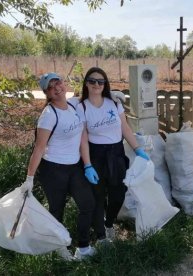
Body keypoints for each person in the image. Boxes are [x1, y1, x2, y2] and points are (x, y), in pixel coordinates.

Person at [20, 72, 97, 261]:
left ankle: (83, 247)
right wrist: (29, 178)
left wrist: (87, 165)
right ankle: (59, 247)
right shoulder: (48, 115)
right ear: (47, 93)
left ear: (64, 84)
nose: (57, 88)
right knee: (57, 210)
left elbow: (94, 96)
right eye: (51, 87)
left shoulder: (74, 105)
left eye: (58, 82)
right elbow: (39, 149)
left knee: (88, 204)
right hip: (53, 169)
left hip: (74, 166)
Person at [78, 67, 149, 241]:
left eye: (100, 81)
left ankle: (109, 223)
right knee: (98, 197)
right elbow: (83, 138)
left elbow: (125, 128)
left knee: (118, 195)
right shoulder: (81, 107)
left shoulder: (114, 104)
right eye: (92, 81)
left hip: (116, 154)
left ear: (105, 84)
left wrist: (137, 149)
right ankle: (101, 233)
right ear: (86, 83)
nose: (96, 84)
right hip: (96, 155)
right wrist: (87, 165)